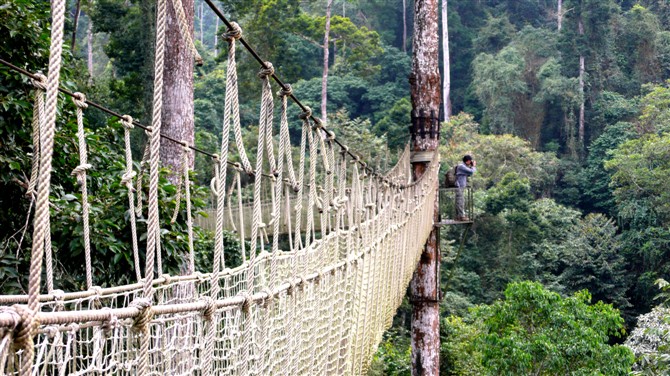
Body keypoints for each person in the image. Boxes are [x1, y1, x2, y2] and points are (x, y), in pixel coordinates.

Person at [455, 155, 476, 221]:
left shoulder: (463, 166)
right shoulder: (461, 166)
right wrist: (473, 166)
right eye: (470, 161)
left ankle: (459, 216)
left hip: (461, 186)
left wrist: (471, 166)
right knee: (460, 201)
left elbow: (469, 174)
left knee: (460, 200)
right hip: (459, 186)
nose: (470, 162)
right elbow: (471, 171)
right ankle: (461, 216)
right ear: (468, 161)